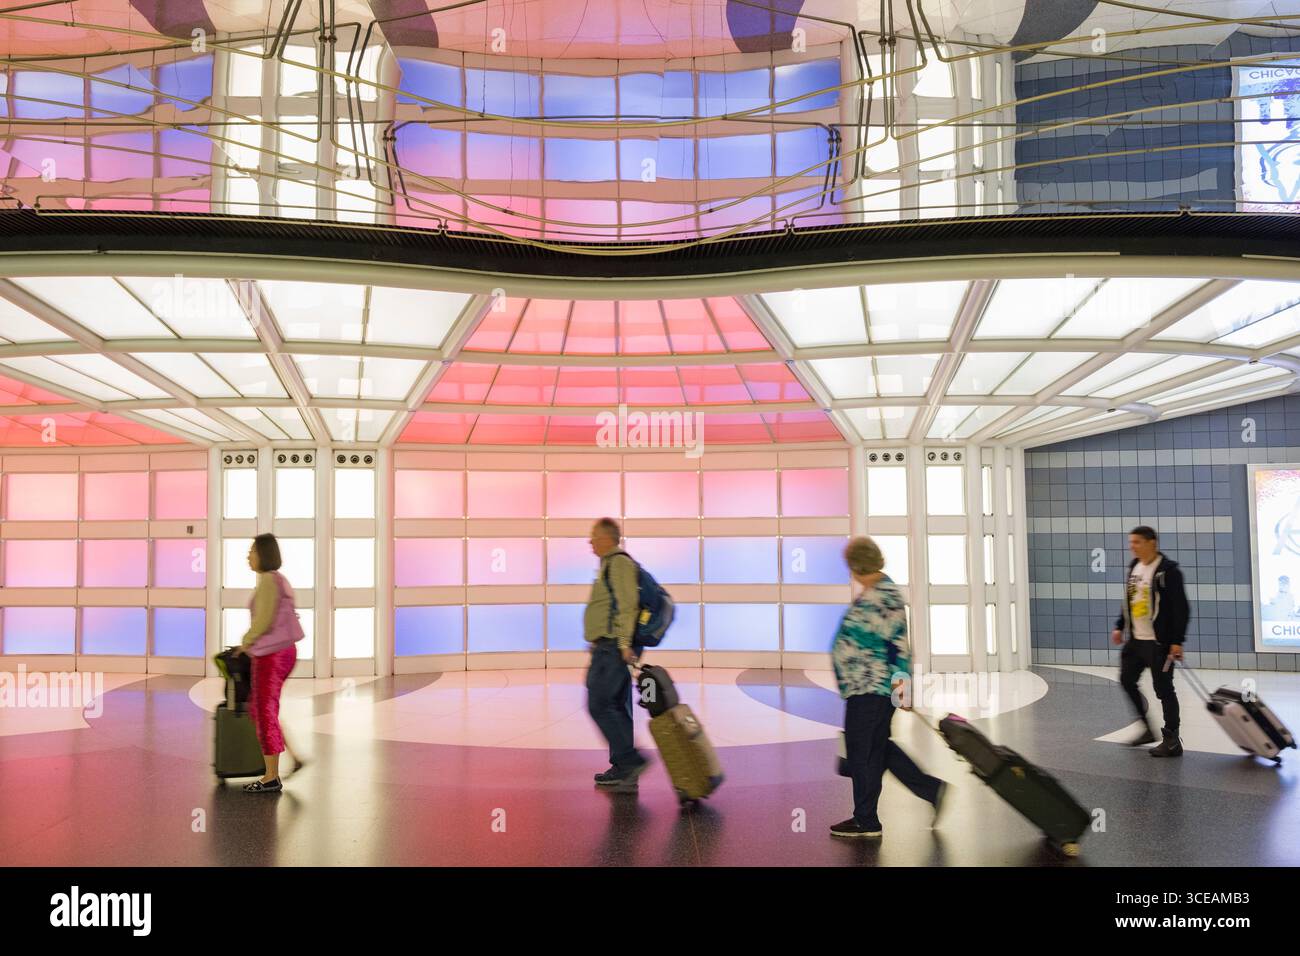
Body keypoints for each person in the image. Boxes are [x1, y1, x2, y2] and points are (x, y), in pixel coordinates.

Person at [830, 536, 946, 838]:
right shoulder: (882, 592)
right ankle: (932, 790)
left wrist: (901, 691)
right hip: (871, 689)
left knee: (863, 753)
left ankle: (866, 821)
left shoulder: (881, 597)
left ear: (856, 567)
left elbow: (898, 648)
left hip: (870, 690)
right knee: (878, 750)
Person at [232, 533, 304, 792]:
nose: (248, 555)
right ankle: (293, 759)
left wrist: (245, 642)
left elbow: (263, 620)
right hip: (283, 651)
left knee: (263, 710)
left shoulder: (267, 582)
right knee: (261, 708)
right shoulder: (277, 580)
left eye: (252, 550)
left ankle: (270, 776)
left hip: (271, 656)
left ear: (264, 553)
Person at [1111, 525, 1190, 757]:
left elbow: (1181, 608)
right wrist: (1120, 625)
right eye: (1131, 542)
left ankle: (1172, 740)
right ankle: (1146, 728)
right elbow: (1129, 599)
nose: (1131, 546)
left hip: (1160, 642)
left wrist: (1177, 641)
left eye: (1136, 542)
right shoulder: (1134, 567)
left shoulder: (1168, 571)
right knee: (1126, 679)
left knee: (1163, 689)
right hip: (1137, 640)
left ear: (1151, 542)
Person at [584, 517, 650, 792]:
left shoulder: (619, 562)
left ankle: (629, 761)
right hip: (607, 646)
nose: (590, 543)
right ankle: (624, 771)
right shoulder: (609, 565)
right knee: (616, 706)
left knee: (599, 704)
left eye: (594, 537)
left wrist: (623, 643)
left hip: (613, 648)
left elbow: (627, 606)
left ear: (607, 538)